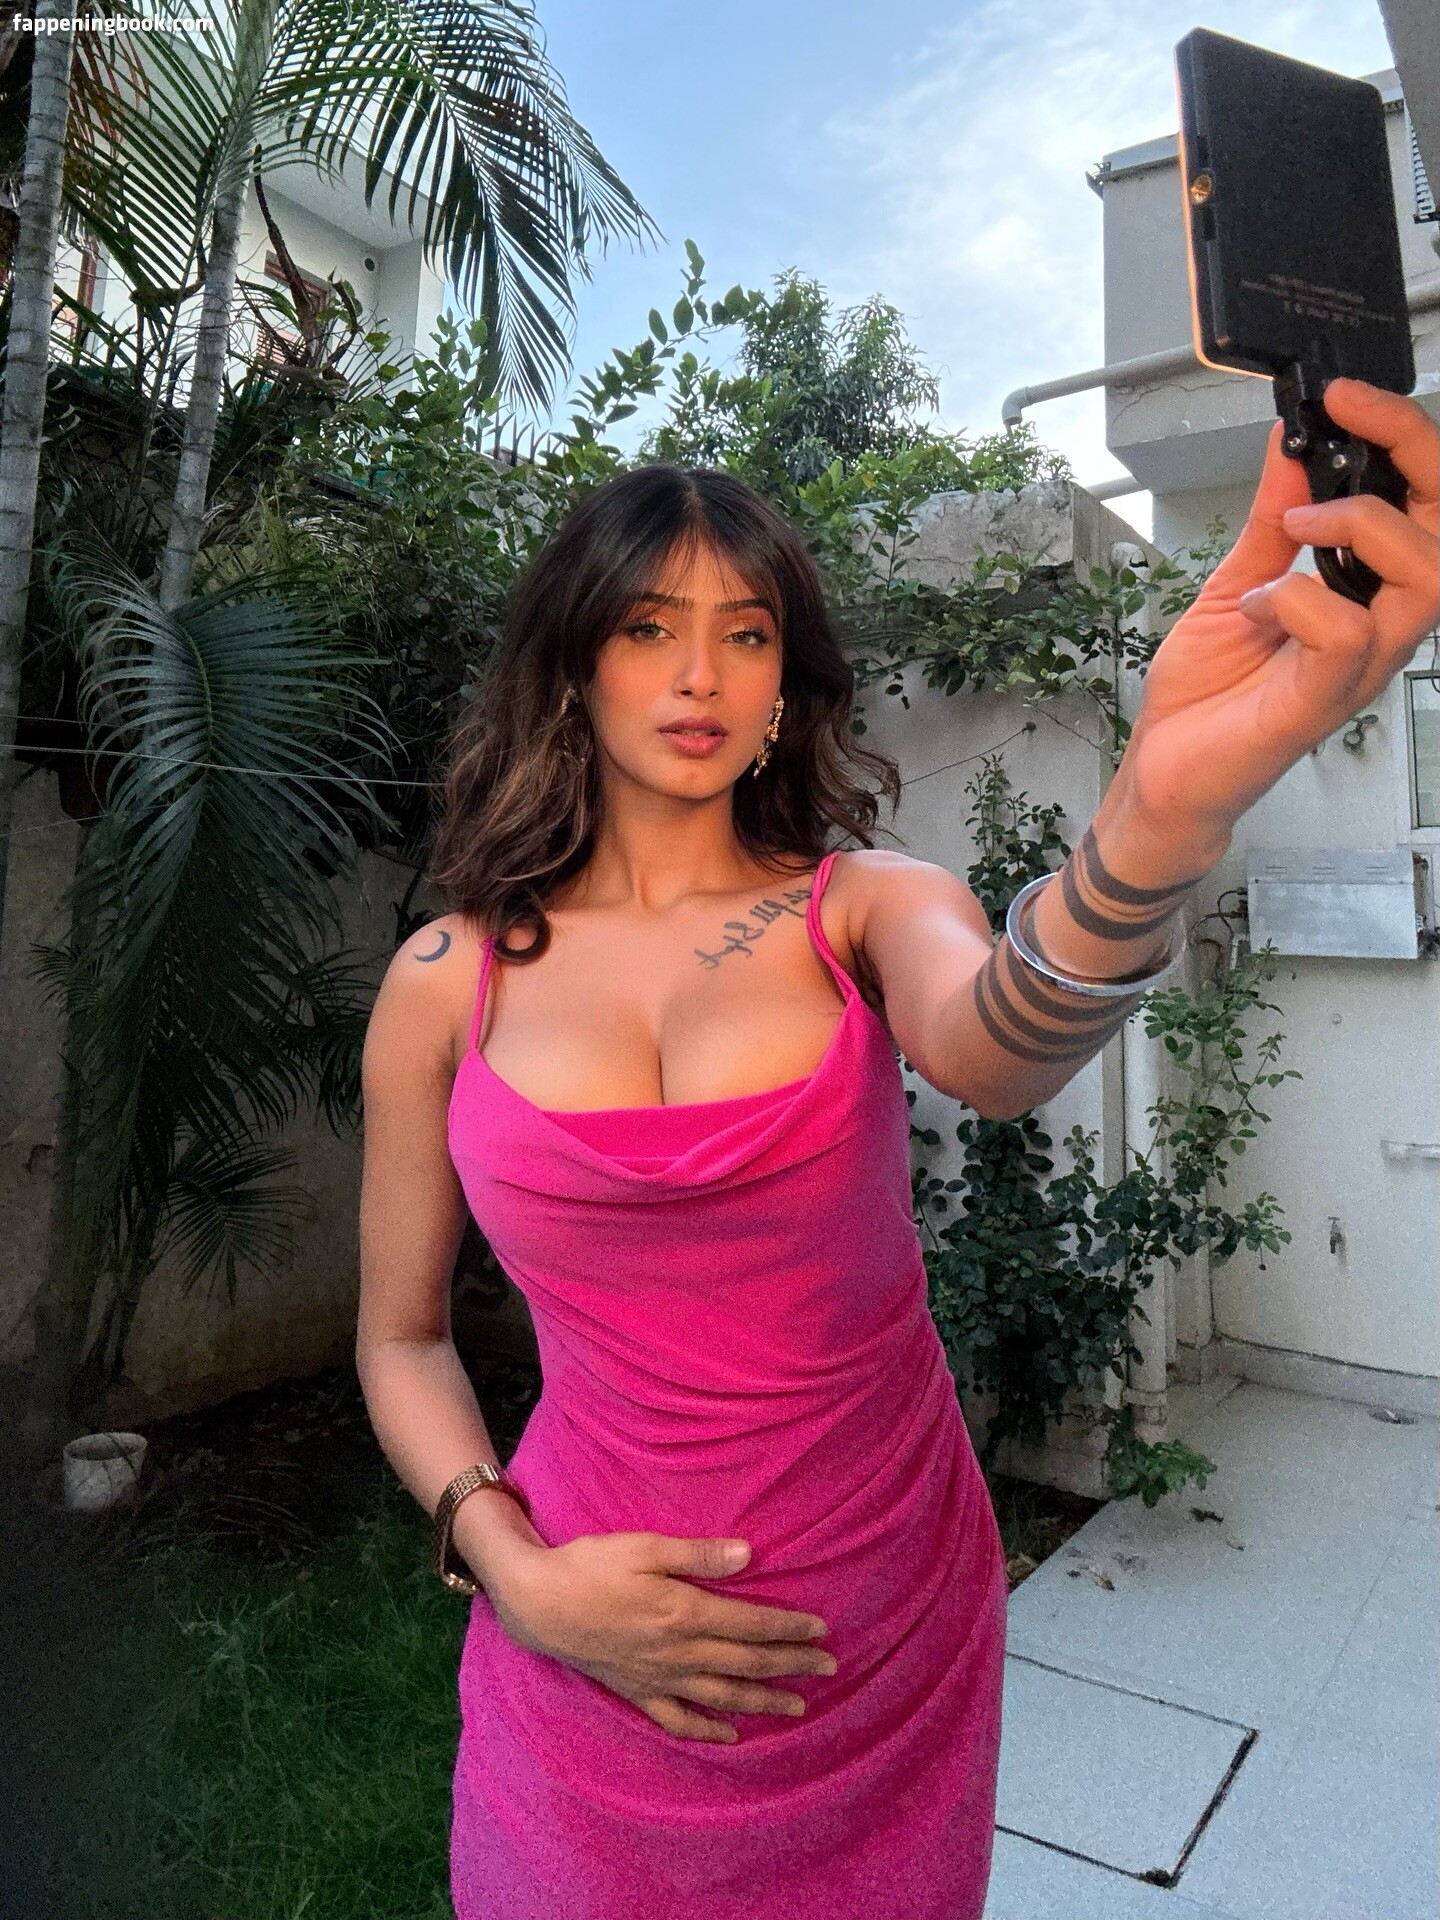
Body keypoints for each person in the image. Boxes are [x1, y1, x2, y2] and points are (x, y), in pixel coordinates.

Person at [356, 377, 1438, 1920]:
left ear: (786, 686)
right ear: (572, 669)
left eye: (746, 634)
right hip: (579, 1644)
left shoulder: (866, 905)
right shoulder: (442, 982)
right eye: (650, 628)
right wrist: (513, 1570)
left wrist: (1157, 812)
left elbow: (1000, 1043)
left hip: (882, 1637)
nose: (700, 672)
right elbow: (400, 1337)